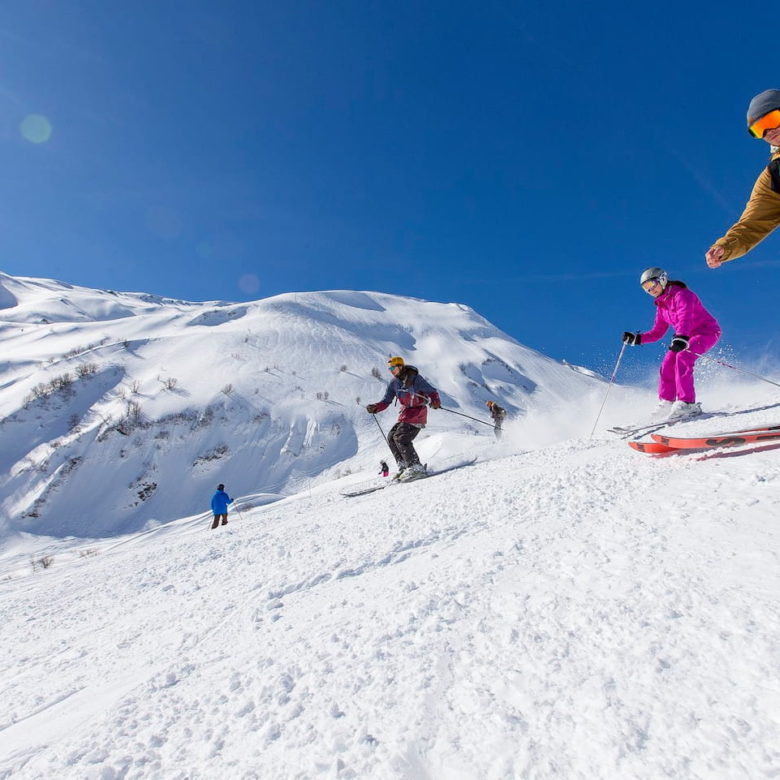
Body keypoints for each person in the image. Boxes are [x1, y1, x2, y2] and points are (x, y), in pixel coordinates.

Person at [622, 267, 721, 419]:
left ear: (662, 279)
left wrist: (681, 337)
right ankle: (667, 402)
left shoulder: (682, 295)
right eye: (646, 288)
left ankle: (687, 404)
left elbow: (685, 317)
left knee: (683, 357)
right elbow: (657, 332)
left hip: (706, 332)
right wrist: (638, 338)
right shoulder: (662, 306)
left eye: (652, 284)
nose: (651, 290)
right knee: (668, 363)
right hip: (684, 336)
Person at [706, 89, 780, 269]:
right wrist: (726, 246)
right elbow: (753, 222)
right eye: (759, 129)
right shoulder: (775, 174)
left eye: (772, 120)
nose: (769, 131)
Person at [366, 356, 441, 480]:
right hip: (406, 413)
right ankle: (404, 466)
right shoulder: (394, 383)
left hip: (418, 413)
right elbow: (386, 401)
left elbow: (432, 391)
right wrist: (376, 407)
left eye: (393, 368)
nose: (391, 371)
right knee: (391, 437)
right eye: (390, 369)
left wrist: (435, 401)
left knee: (401, 438)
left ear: (400, 366)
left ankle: (415, 467)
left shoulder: (415, 379)